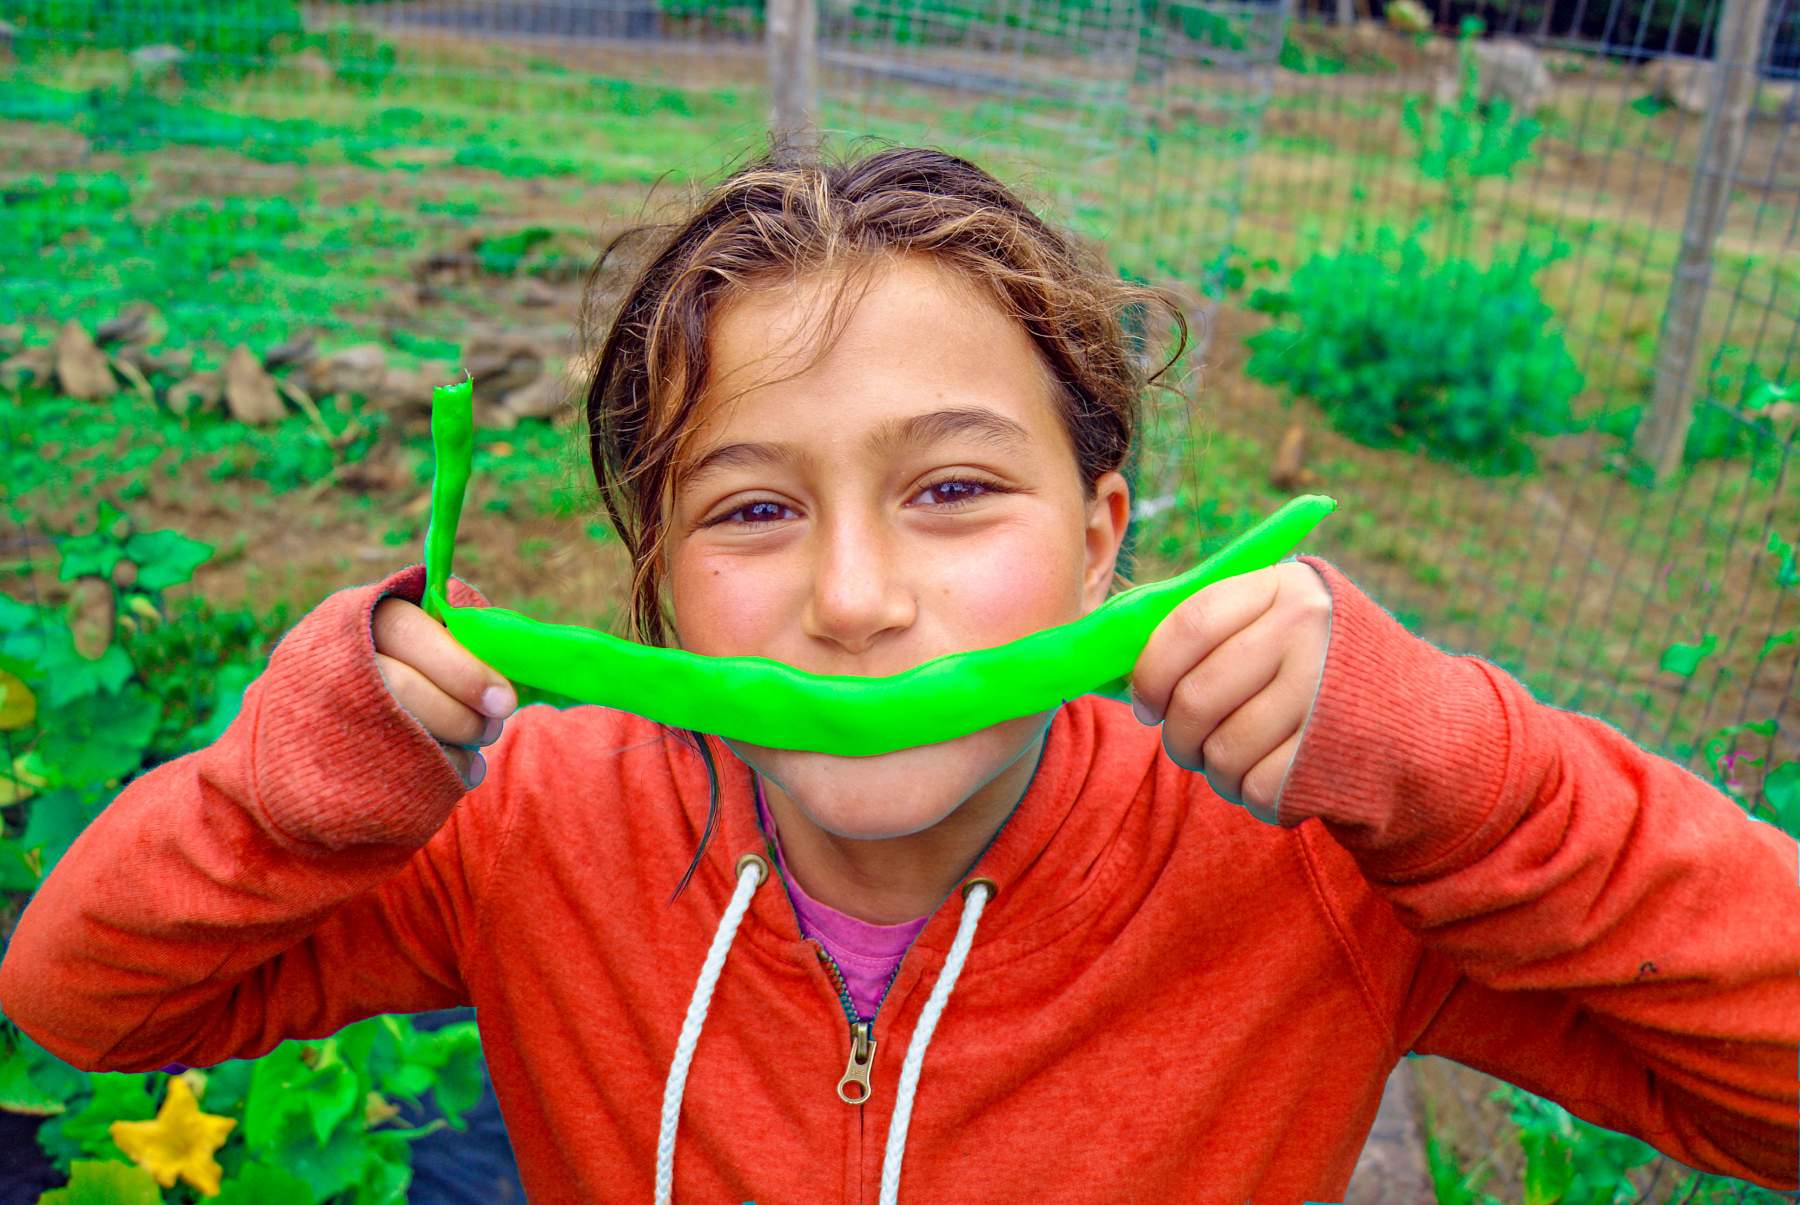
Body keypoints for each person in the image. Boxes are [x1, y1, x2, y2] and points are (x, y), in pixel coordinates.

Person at [3, 142, 1797, 1205]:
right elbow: (88, 1002)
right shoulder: (534, 827)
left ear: (1101, 538)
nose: (856, 601)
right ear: (660, 583)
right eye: (752, 508)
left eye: (954, 490)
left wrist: (1476, 782)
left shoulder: (1320, 870)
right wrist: (302, 783)